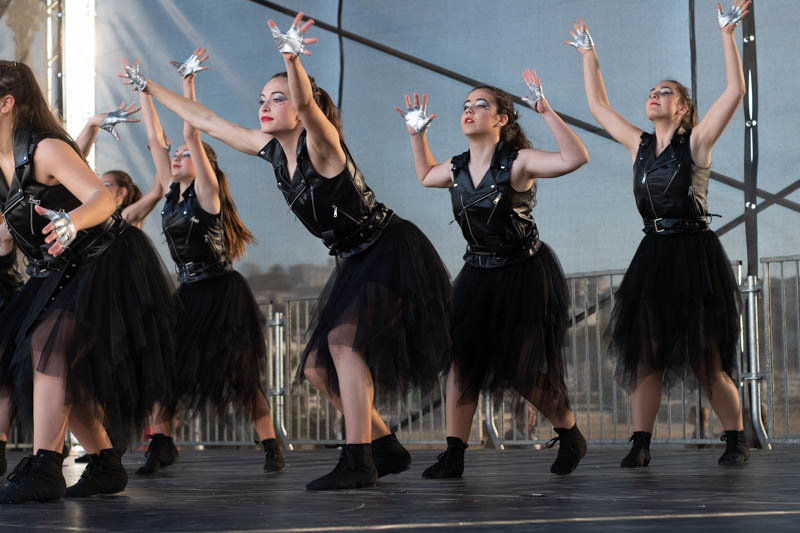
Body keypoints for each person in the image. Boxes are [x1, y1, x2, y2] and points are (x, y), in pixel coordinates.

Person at [122, 16, 452, 490]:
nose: (265, 105)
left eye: (276, 98)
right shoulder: (273, 152)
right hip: (354, 258)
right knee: (317, 367)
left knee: (343, 344)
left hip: (388, 250)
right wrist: (149, 87)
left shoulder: (323, 145)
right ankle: (384, 445)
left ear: (299, 109)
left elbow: (305, 104)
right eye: (261, 98)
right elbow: (207, 122)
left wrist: (291, 59)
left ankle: (358, 459)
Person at [567, 0, 751, 467]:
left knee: (706, 360)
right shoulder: (639, 145)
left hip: (694, 255)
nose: (654, 95)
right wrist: (590, 56)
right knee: (647, 354)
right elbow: (598, 107)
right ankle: (640, 444)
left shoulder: (698, 142)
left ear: (683, 108)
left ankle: (735, 440)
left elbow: (735, 90)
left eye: (665, 92)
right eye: (651, 91)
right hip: (653, 254)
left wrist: (726, 36)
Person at [397, 69, 589, 477]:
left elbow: (575, 158)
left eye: (481, 105)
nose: (469, 110)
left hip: (522, 274)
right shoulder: (457, 167)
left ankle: (570, 434)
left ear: (502, 119)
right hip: (478, 274)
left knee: (521, 370)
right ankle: (454, 453)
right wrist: (417, 135)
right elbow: (426, 175)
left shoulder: (518, 163)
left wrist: (546, 111)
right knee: (461, 361)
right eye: (466, 105)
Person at [0, 60, 176, 503]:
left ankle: (45, 466)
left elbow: (101, 198)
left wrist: (72, 222)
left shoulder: (44, 148)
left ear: (6, 103)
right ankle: (104, 463)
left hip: (102, 259)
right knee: (55, 363)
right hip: (55, 270)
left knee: (48, 346)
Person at [120, 49, 284, 475]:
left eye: (185, 156)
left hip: (221, 294)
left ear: (206, 166)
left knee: (240, 375)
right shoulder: (170, 193)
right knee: (164, 368)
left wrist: (187, 84)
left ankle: (270, 443)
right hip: (188, 293)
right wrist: (143, 92)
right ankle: (162, 445)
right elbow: (156, 140)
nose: (177, 157)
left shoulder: (207, 194)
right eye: (175, 156)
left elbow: (192, 132)